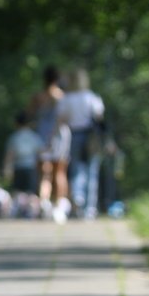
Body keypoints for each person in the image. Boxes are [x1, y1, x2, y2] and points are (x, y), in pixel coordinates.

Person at [54, 68, 108, 218]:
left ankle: (78, 195)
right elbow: (99, 117)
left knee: (76, 168)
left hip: (74, 135)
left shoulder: (66, 99)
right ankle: (89, 208)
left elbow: (61, 121)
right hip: (91, 137)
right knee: (92, 171)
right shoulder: (92, 97)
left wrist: (54, 139)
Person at [27, 65, 67, 211]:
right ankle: (59, 204)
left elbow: (29, 115)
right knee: (60, 171)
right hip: (59, 136)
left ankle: (44, 202)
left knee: (44, 172)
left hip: (41, 135)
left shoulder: (38, 97)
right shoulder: (61, 96)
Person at [2, 111, 44, 216]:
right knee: (32, 193)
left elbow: (10, 155)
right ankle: (32, 212)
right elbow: (41, 152)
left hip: (18, 166)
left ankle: (14, 211)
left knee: (17, 191)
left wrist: (7, 168)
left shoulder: (14, 137)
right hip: (31, 167)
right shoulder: (34, 136)